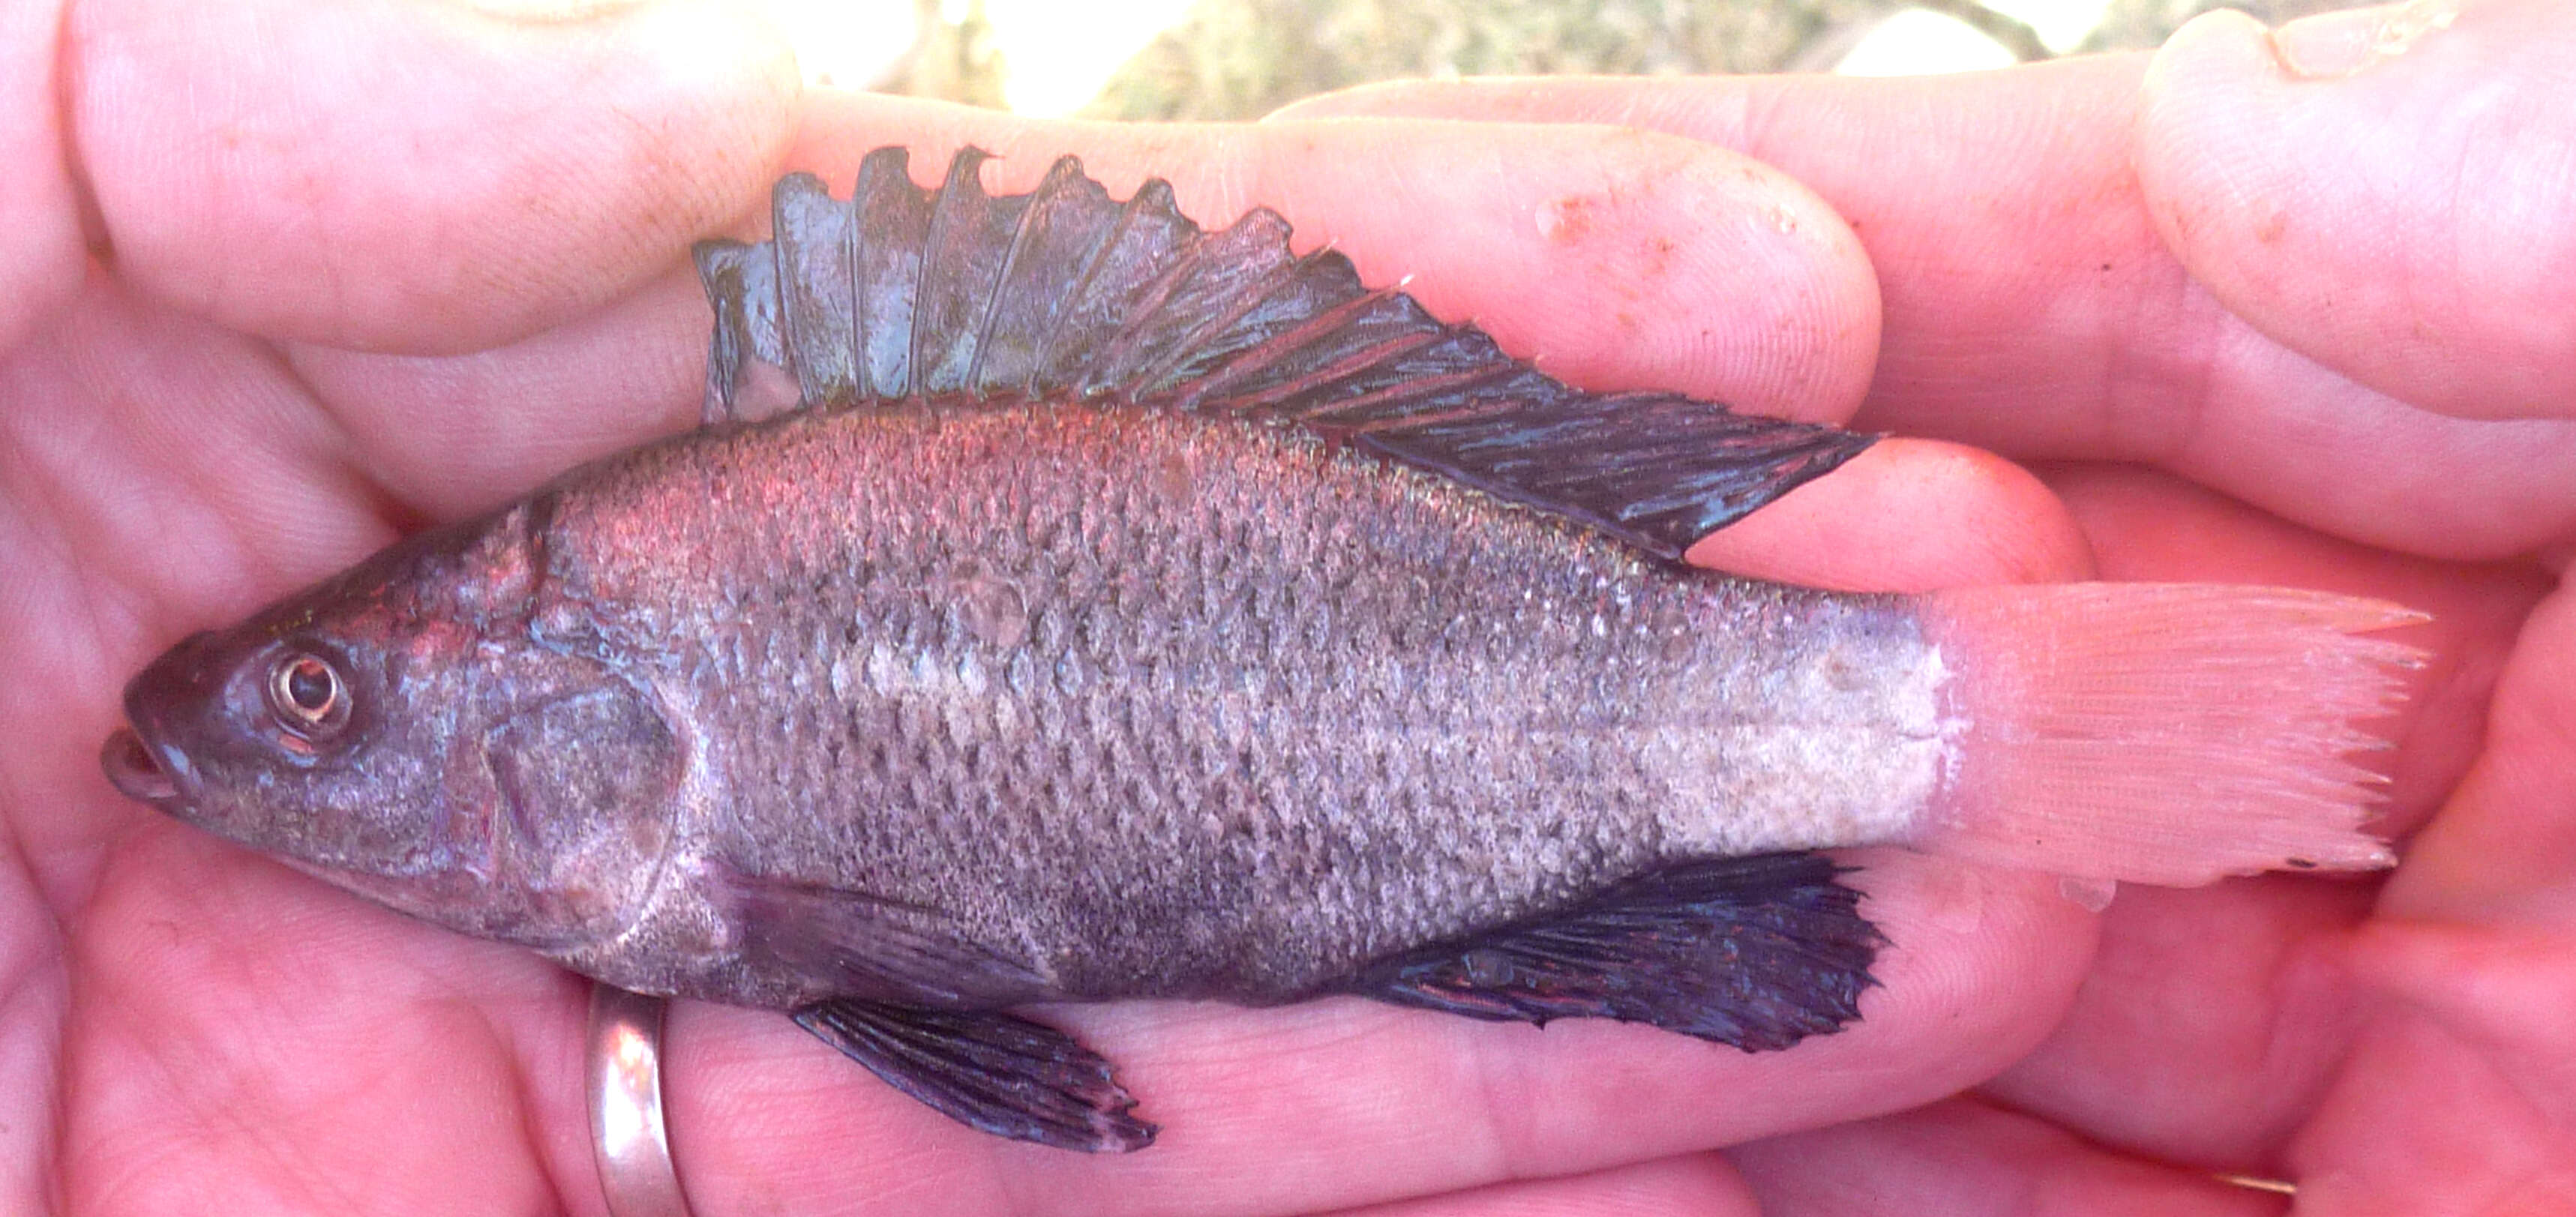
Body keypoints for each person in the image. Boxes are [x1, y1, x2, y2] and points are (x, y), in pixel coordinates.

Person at [4, 0, 2569, 1212]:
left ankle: (2069, 735)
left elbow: (937, 1015)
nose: (274, 743)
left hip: (1592, 663)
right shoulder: (682, 773)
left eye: (326, 700)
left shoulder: (691, 761)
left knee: (1895, 653)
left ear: (554, 707)